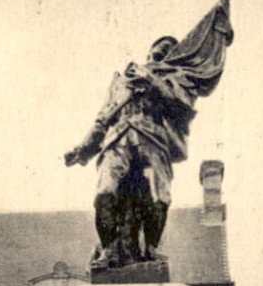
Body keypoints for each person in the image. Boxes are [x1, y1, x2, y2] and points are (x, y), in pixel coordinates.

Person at [64, 35, 199, 268]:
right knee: (105, 193)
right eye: (159, 47)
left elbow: (183, 107)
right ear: (149, 52)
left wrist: (152, 81)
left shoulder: (172, 80)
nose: (162, 50)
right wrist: (83, 149)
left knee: (159, 197)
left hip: (152, 140)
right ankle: (108, 250)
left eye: (168, 49)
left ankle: (152, 250)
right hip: (117, 140)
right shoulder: (120, 81)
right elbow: (102, 119)